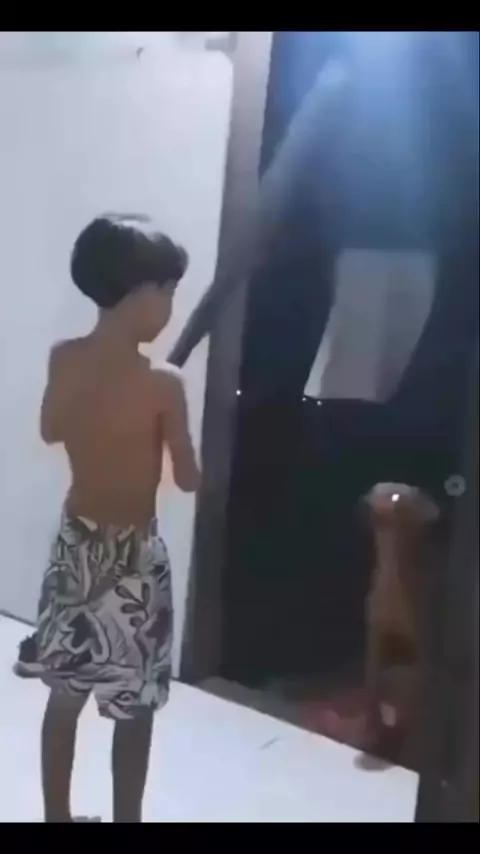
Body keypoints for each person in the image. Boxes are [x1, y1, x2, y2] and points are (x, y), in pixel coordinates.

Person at [15, 214, 199, 823]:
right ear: (137, 292)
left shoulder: (65, 358)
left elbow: (50, 429)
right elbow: (188, 476)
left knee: (64, 696)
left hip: (77, 545)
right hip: (134, 559)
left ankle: (57, 818)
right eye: (166, 291)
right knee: (134, 706)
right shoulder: (165, 384)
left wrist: (94, 395)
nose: (170, 306)